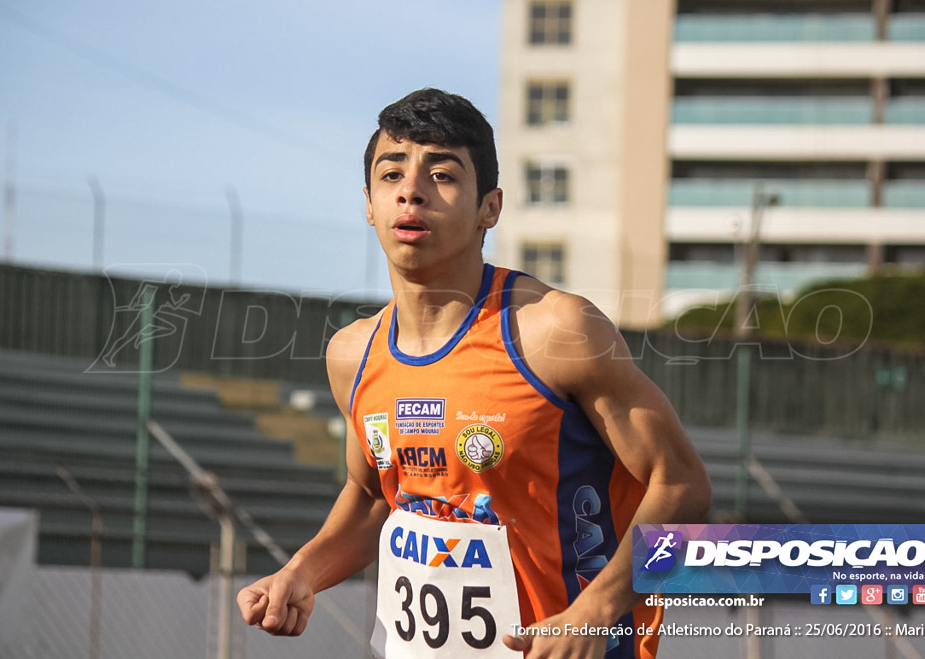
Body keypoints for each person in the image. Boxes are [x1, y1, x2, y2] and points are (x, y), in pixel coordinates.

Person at [237, 88, 711, 658]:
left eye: (441, 175)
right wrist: (301, 573)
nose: (410, 190)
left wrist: (599, 608)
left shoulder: (554, 330)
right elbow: (372, 500)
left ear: (490, 207)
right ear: (368, 203)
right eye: (391, 175)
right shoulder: (352, 355)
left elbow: (682, 484)